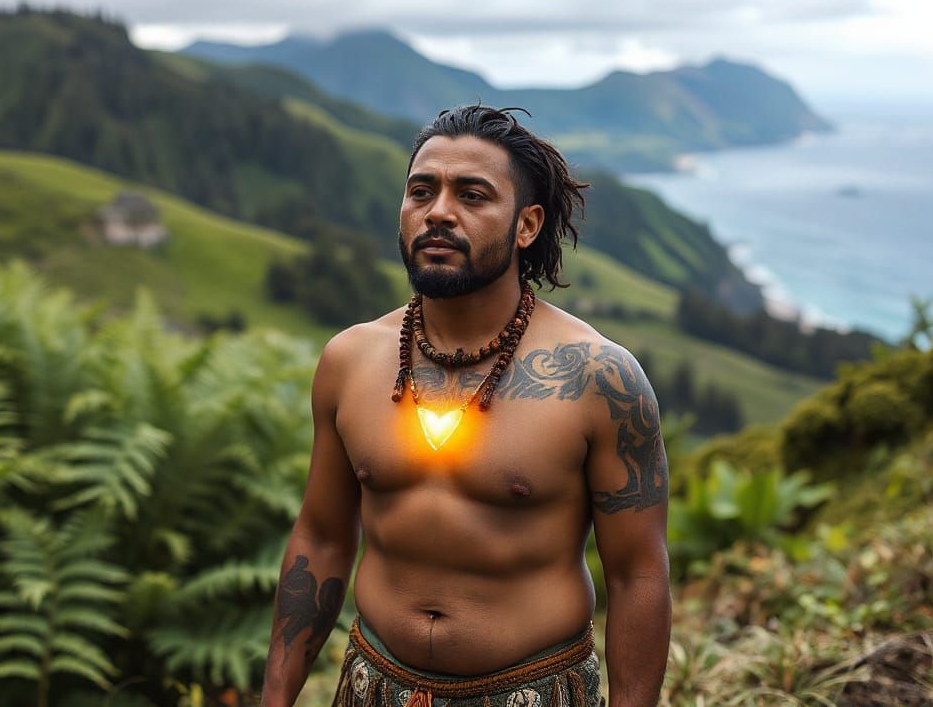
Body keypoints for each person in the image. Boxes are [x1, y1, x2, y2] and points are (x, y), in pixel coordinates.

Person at [260, 105, 670, 707]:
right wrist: (276, 698)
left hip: (534, 690)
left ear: (526, 225)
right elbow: (321, 537)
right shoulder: (350, 360)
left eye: (472, 195)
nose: (439, 213)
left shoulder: (599, 378)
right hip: (372, 685)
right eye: (421, 191)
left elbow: (638, 575)